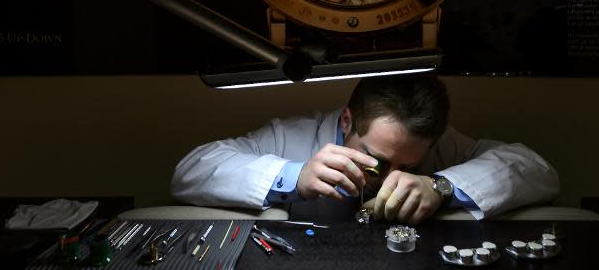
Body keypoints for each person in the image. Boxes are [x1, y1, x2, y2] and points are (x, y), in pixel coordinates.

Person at [170, 74, 559, 224]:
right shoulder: (290, 138)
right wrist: (294, 177)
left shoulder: (444, 147)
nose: (388, 180)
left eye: (411, 164)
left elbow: (536, 168)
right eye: (378, 160)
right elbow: (189, 170)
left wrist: (440, 187)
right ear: (346, 122)